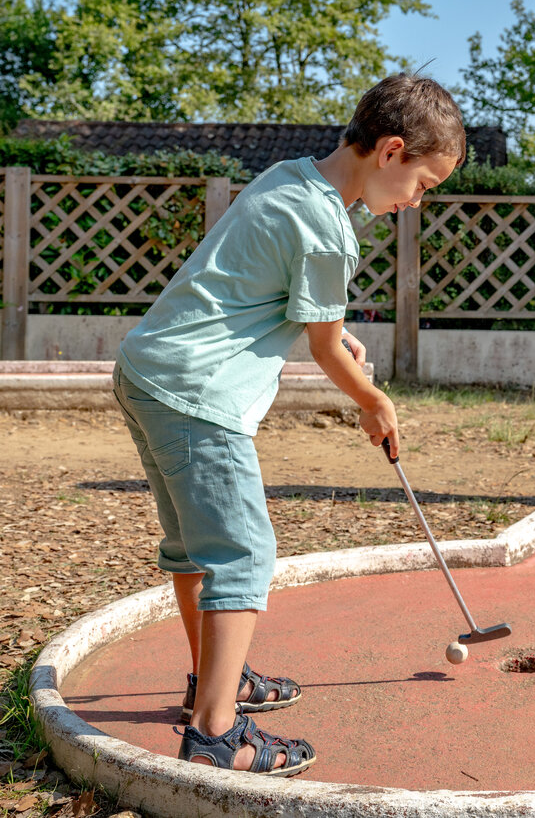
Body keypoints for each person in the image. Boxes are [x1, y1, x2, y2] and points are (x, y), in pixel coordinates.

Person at [112, 73, 464, 775]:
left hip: (149, 374)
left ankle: (215, 681)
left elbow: (269, 292)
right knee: (243, 555)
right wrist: (374, 401)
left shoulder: (288, 178)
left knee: (195, 549)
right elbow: (326, 348)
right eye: (423, 184)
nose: (417, 201)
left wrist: (334, 332)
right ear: (391, 151)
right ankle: (217, 733)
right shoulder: (329, 228)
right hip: (200, 396)